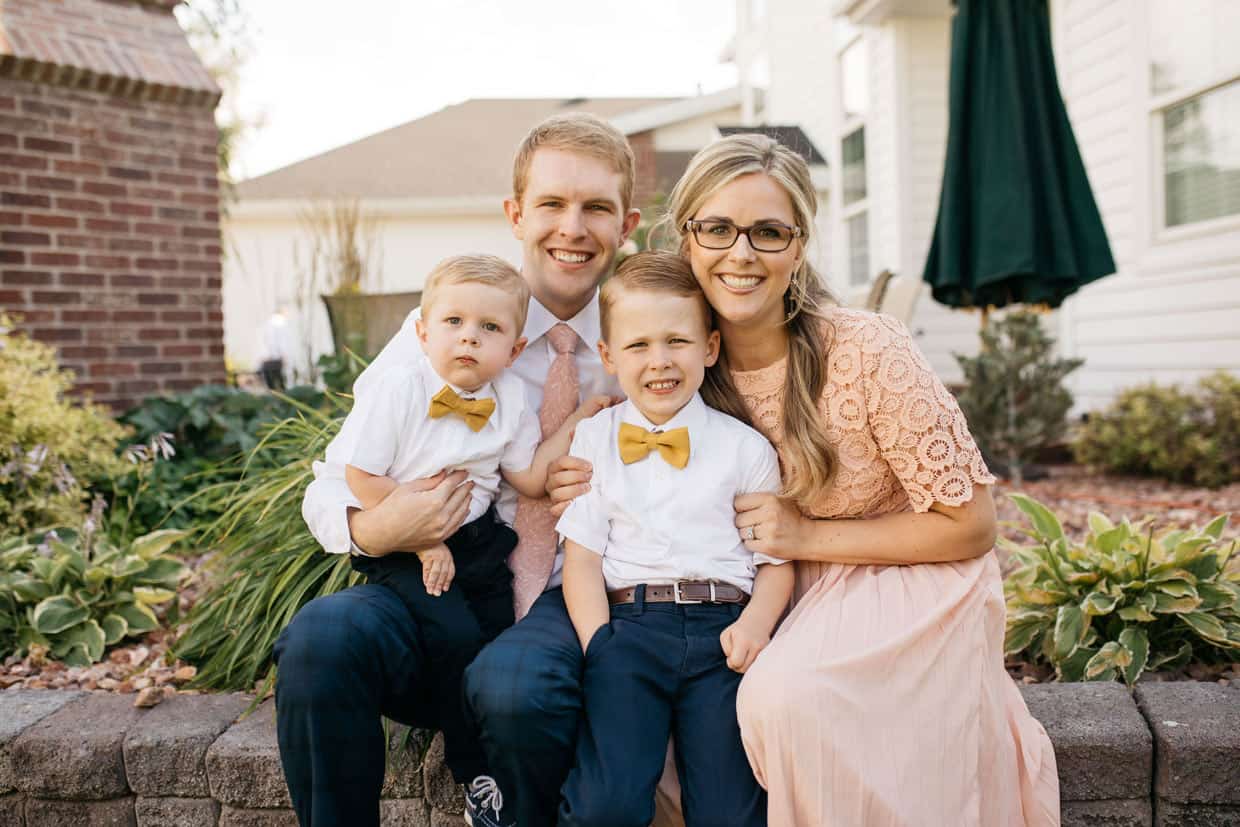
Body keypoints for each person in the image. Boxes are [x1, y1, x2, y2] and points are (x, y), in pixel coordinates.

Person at [549, 133, 1061, 825]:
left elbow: (971, 526)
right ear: (686, 238)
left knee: (784, 698)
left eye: (768, 232)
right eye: (718, 228)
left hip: (906, 576)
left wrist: (806, 532)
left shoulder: (866, 348)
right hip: (769, 583)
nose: (741, 253)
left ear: (798, 245)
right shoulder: (686, 365)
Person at [274, 112, 641, 827]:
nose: (573, 226)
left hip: (574, 602)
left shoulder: (647, 340)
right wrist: (387, 525)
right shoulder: (447, 327)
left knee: (517, 686)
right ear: (515, 214)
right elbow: (332, 479)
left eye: (595, 207)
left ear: (626, 224)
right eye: (551, 204)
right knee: (323, 639)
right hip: (432, 584)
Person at [338, 253, 608, 820]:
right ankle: (475, 773)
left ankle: (515, 768)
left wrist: (583, 418)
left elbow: (529, 477)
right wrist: (420, 535)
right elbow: (359, 475)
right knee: (456, 638)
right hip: (408, 546)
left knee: (495, 640)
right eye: (454, 323)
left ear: (513, 349)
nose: (468, 338)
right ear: (422, 332)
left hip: (480, 542)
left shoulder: (508, 397)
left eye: (489, 329)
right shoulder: (400, 388)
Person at [555, 251, 792, 827]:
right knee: (607, 805)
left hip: (723, 634)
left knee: (729, 811)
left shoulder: (745, 447)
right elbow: (582, 560)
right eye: (637, 345)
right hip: (629, 632)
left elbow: (776, 561)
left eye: (677, 342)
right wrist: (599, 644)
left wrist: (755, 626)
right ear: (609, 357)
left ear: (709, 348)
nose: (659, 361)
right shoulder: (595, 438)